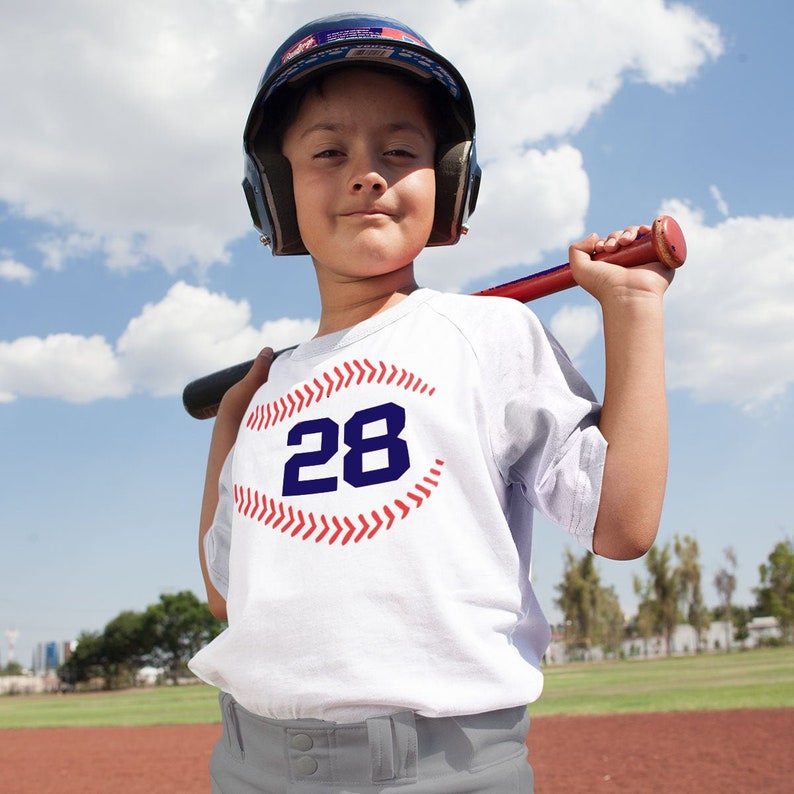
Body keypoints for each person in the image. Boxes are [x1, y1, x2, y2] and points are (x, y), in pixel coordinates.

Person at [188, 13, 672, 793]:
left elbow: (620, 524)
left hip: (444, 768)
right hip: (250, 763)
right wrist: (230, 430)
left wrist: (633, 308)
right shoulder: (268, 391)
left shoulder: (489, 333)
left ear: (449, 180)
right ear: (273, 190)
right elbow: (225, 594)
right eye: (327, 151)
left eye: (401, 150)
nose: (367, 172)